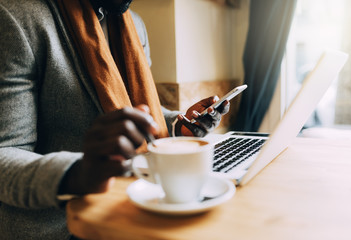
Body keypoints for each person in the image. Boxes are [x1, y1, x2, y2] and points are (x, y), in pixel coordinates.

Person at [0, 0, 230, 239]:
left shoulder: (135, 24)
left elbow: (137, 108)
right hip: (63, 227)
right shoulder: (16, 18)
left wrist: (178, 126)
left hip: (138, 202)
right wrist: (78, 173)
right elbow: (5, 152)